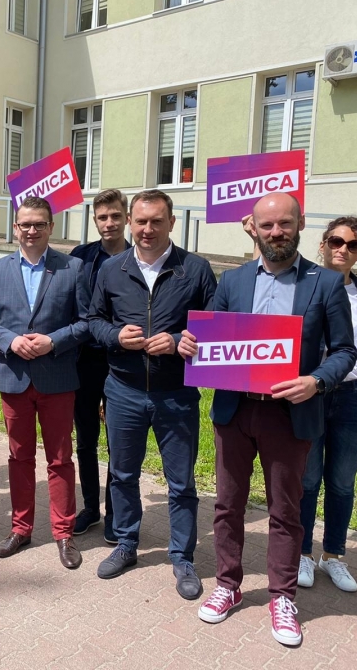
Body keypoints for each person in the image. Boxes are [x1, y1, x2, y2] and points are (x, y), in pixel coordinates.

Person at [180, 192, 355, 646]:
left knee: (286, 510)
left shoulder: (325, 283)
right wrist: (190, 344)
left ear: (300, 224)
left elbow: (345, 352)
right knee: (227, 505)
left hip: (289, 414)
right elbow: (210, 336)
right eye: (267, 225)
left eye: (284, 224)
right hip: (235, 411)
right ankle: (228, 585)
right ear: (253, 228)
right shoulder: (233, 280)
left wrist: (316, 381)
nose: (276, 232)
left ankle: (282, 596)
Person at [88, 189, 215, 599]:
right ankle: (126, 543)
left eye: (156, 221)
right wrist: (114, 336)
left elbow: (215, 326)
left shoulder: (195, 269)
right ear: (129, 221)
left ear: (171, 223)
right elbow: (94, 319)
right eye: (140, 221)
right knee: (122, 474)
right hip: (123, 391)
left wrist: (178, 340)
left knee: (181, 482)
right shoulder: (112, 269)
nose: (147, 229)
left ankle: (182, 557)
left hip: (176, 394)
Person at [0, 196, 88, 571]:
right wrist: (10, 341)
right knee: (19, 457)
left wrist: (53, 341)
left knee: (60, 459)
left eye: (39, 224)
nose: (32, 230)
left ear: (51, 227)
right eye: (25, 224)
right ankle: (21, 529)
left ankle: (64, 533)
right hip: (15, 378)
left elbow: (86, 322)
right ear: (15, 227)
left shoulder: (73, 267)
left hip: (57, 378)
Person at [298, 216, 357, 593]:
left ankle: (333, 554)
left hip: (355, 396)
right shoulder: (304, 286)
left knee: (342, 482)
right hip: (313, 393)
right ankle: (302, 552)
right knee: (307, 480)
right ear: (323, 244)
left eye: (353, 245)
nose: (343, 249)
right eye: (336, 241)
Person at [69, 189, 131, 541]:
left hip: (122, 360)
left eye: (115, 216)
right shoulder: (81, 257)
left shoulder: (138, 257)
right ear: (94, 220)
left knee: (118, 442)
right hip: (85, 360)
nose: (109, 223)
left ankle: (115, 512)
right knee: (86, 438)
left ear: (126, 218)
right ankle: (91, 507)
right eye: (102, 217)